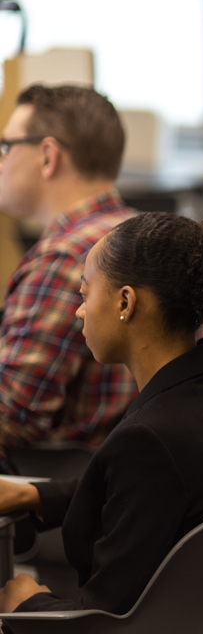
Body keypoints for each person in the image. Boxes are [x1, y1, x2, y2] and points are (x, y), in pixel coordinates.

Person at [0, 210, 203, 634]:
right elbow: (152, 502)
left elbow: (101, 613)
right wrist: (33, 497)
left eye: (85, 293)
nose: (80, 311)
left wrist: (26, 604)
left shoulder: (151, 439)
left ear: (126, 302)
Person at [0, 84, 138, 474]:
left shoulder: (64, 259)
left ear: (47, 156)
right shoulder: (145, 232)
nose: (0, 162)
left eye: (6, 148)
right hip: (132, 485)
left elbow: (12, 416)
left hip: (61, 497)